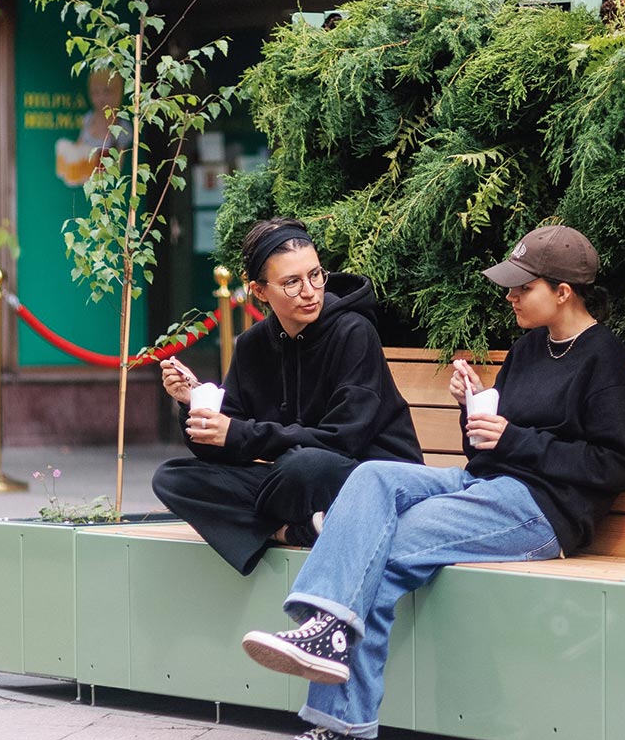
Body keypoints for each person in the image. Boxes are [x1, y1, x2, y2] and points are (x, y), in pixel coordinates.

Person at [240, 225, 625, 740]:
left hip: (543, 512)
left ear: (563, 291)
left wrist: (514, 437)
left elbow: (615, 467)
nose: (510, 296)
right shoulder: (528, 349)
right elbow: (487, 457)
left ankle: (343, 720)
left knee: (381, 551)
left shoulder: (606, 361)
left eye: (524, 288)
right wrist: (473, 411)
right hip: (488, 487)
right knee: (374, 475)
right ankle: (327, 630)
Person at [151, 218, 422, 574]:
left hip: (368, 475)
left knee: (304, 465)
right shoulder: (252, 345)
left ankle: (274, 526)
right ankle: (293, 531)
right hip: (300, 482)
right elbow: (221, 445)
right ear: (259, 292)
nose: (310, 291)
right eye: (292, 283)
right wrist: (193, 403)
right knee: (173, 478)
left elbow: (344, 438)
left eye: (315, 275)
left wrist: (239, 434)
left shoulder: (354, 332)